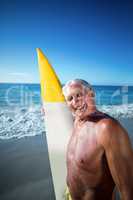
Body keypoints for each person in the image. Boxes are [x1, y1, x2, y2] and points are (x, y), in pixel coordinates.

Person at [62, 79, 133, 200]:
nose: (75, 102)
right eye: (70, 98)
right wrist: (50, 110)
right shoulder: (77, 122)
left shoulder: (107, 129)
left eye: (78, 95)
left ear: (91, 94)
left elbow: (128, 192)